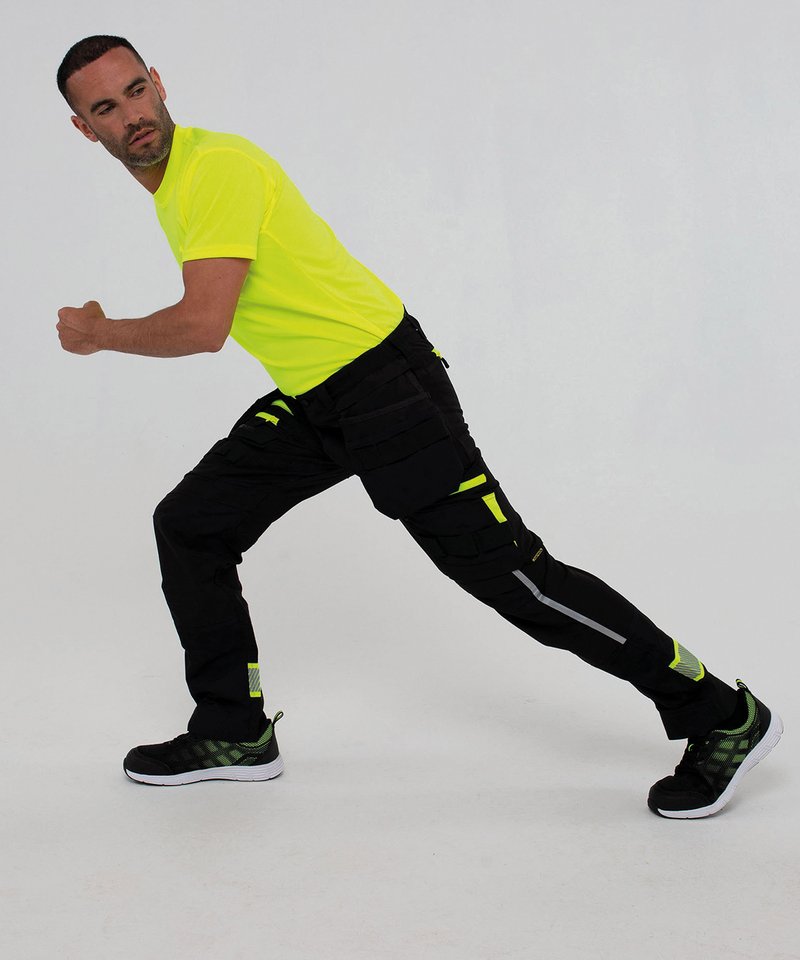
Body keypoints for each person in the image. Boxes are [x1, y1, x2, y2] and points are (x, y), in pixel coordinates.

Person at [55, 34, 782, 817]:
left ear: (159, 82)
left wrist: (102, 334)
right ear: (84, 128)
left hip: (383, 387)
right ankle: (233, 730)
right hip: (313, 396)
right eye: (107, 107)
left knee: (518, 578)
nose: (132, 114)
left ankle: (723, 715)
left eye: (136, 90)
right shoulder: (174, 187)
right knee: (191, 524)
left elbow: (205, 326)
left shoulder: (216, 168)